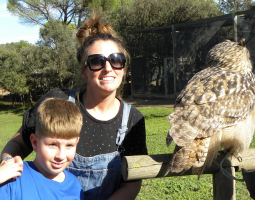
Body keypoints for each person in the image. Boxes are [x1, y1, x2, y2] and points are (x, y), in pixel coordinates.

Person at [1, 14, 148, 200]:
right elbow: (16, 144)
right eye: (97, 62)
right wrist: (7, 164)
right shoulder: (57, 101)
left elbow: (132, 183)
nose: (108, 68)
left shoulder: (133, 120)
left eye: (116, 60)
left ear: (124, 69)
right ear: (84, 71)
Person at [0, 98, 84, 200]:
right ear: (35, 143)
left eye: (69, 145)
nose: (61, 156)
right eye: (52, 144)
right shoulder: (13, 178)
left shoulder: (75, 186)